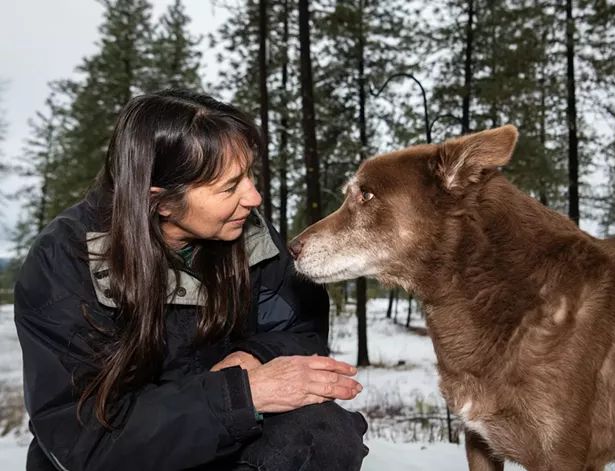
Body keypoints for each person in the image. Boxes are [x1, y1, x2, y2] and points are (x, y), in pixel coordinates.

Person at [13, 89, 369, 471]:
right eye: (230, 187)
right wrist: (239, 395)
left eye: (249, 174)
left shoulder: (250, 237)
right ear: (160, 202)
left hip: (224, 439)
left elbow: (302, 329)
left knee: (326, 432)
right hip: (119, 457)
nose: (254, 197)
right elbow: (85, 437)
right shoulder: (63, 262)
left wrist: (254, 357)